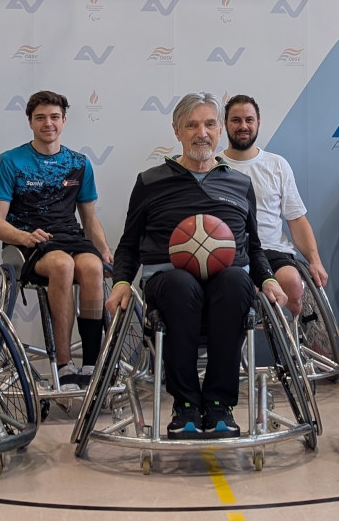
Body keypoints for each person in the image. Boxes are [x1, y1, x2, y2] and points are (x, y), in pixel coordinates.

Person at [105, 92, 285, 439]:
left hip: (228, 280)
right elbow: (128, 245)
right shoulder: (150, 181)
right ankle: (185, 405)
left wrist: (267, 279)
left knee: (234, 281)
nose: (201, 133)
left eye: (209, 124)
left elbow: (255, 246)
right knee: (180, 284)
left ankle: (219, 405)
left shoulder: (239, 182)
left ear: (220, 131)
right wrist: (121, 282)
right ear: (177, 131)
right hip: (168, 282)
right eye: (192, 125)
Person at [0, 90, 112, 390]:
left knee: (93, 268)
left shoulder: (79, 163)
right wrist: (24, 237)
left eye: (54, 117)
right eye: (40, 117)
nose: (48, 123)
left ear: (64, 121)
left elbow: (90, 219)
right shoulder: (10, 162)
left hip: (70, 236)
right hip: (27, 242)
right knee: (62, 266)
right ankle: (65, 365)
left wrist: (105, 250)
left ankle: (92, 364)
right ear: (30, 122)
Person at [221, 95, 327, 313]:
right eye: (236, 120)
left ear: (258, 123)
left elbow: (296, 219)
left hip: (272, 250)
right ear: (225, 124)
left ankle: (296, 339)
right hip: (228, 254)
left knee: (292, 282)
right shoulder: (214, 166)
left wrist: (315, 261)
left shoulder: (277, 164)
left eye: (249, 120)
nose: (243, 126)